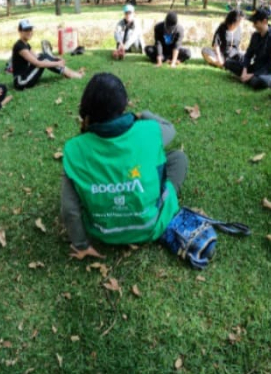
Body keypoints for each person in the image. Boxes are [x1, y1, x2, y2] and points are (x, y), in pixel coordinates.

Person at [60, 73, 188, 259]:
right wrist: (143, 114)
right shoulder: (150, 130)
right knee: (178, 158)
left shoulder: (74, 149)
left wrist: (81, 245)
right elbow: (171, 129)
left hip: (103, 231)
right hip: (151, 225)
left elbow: (69, 209)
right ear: (123, 105)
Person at [12, 19, 83, 90]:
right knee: (43, 58)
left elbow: (37, 57)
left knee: (43, 56)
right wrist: (57, 63)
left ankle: (70, 72)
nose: (29, 32)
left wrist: (55, 58)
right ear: (20, 31)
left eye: (30, 29)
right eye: (26, 30)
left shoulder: (26, 45)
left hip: (26, 76)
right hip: (21, 81)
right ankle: (70, 74)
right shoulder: (19, 46)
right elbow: (38, 63)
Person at [224, 8, 271, 89]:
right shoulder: (255, 36)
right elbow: (248, 54)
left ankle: (248, 79)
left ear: (264, 21)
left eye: (255, 22)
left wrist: (252, 75)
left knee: (257, 82)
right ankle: (245, 77)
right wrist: (244, 70)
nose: (253, 25)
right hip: (256, 67)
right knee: (228, 63)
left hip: (268, 72)